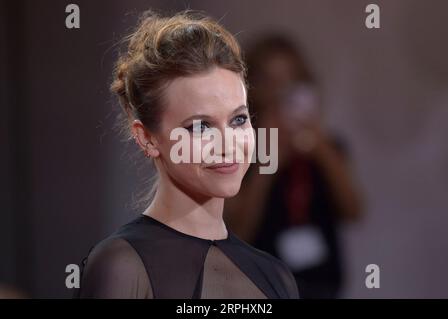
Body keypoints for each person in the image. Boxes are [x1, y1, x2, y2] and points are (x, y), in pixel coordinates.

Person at [76, 10, 299, 299]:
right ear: (147, 138)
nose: (228, 144)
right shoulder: (122, 266)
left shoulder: (275, 277)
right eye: (201, 126)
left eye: (238, 120)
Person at [225, 35, 363, 298]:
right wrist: (269, 156)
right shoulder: (240, 150)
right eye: (269, 82)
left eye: (291, 80)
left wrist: (319, 147)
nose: (281, 93)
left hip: (323, 286)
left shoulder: (328, 146)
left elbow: (354, 210)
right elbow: (239, 232)